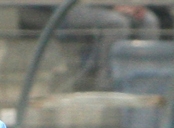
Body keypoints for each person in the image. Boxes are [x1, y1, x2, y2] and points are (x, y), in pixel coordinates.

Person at [19, 4, 161, 90]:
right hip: (75, 8)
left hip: (114, 5)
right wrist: (113, 6)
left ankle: (145, 79)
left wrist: (135, 6)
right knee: (116, 23)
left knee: (149, 20)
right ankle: (106, 80)